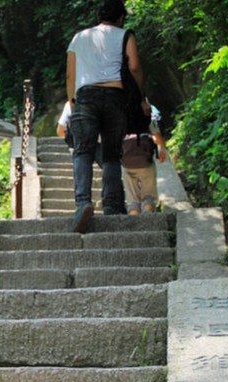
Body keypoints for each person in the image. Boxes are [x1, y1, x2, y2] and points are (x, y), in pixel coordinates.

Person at [66, 0, 149, 232]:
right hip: (115, 96)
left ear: (98, 16)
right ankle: (112, 206)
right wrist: (142, 96)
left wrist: (74, 106)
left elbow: (70, 75)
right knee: (112, 154)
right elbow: (134, 67)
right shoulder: (126, 36)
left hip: (85, 97)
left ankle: (83, 203)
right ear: (121, 18)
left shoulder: (78, 38)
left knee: (83, 151)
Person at [122, 103, 168, 215]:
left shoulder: (121, 118)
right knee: (148, 195)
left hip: (127, 162)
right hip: (145, 161)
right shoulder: (147, 118)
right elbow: (157, 136)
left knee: (133, 198)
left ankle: (134, 219)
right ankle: (148, 215)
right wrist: (162, 149)